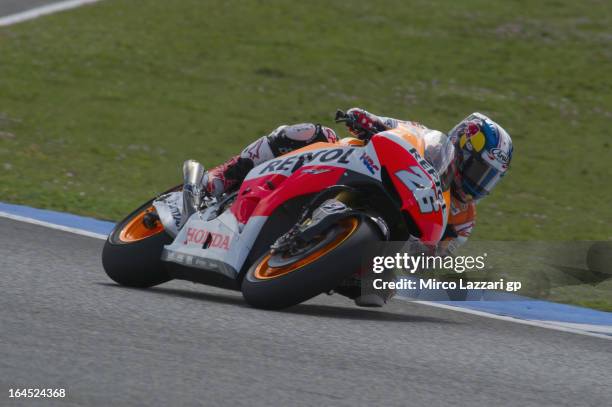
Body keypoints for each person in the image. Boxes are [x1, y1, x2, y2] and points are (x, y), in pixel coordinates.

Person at [181, 108, 513, 306]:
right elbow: (389, 126)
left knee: (376, 293)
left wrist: (438, 265)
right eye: (477, 170)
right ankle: (220, 180)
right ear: (461, 147)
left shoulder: (464, 218)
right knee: (310, 132)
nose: (477, 183)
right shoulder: (427, 140)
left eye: (488, 179)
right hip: (353, 170)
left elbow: (441, 254)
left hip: (383, 250)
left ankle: (321, 257)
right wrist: (365, 119)